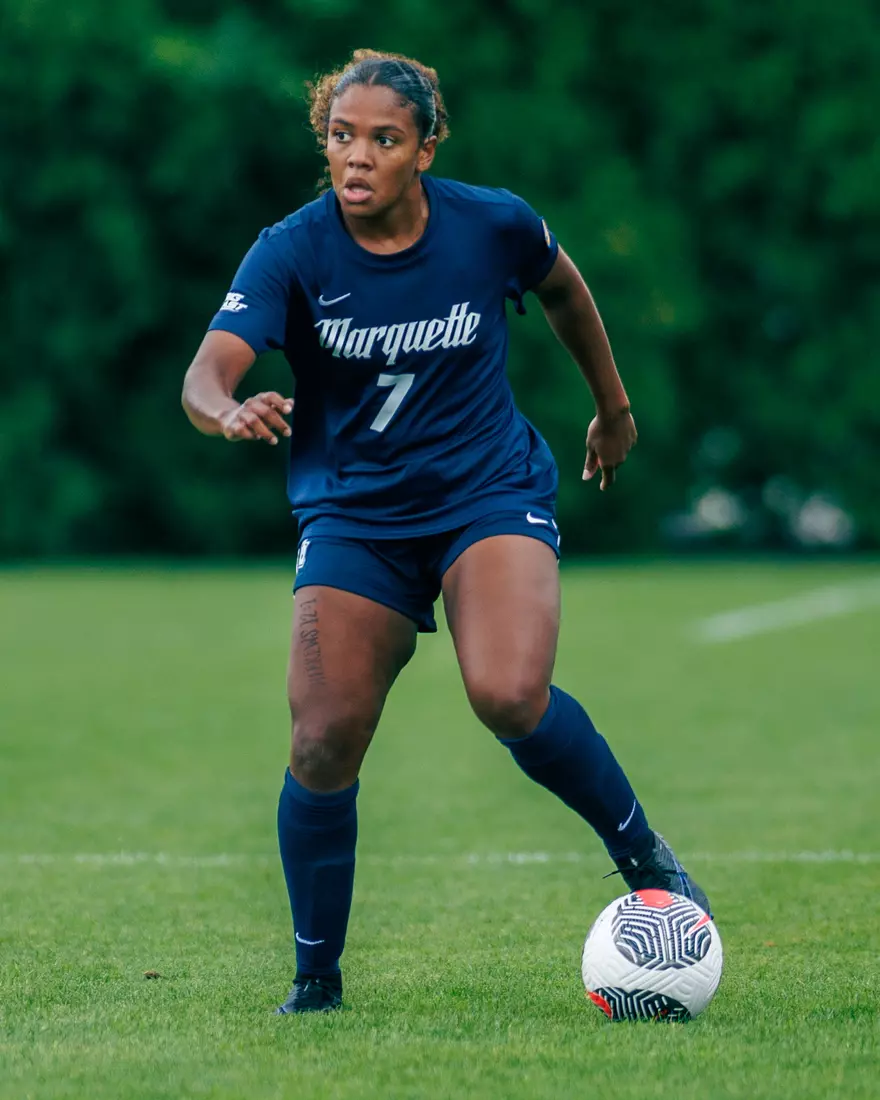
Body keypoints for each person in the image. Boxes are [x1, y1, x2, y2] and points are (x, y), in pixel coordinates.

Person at [181, 49, 710, 1016]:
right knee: (323, 737)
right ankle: (316, 983)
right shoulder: (292, 249)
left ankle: (646, 858)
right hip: (354, 513)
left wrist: (613, 405)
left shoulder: (491, 224)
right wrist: (224, 410)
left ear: (426, 148)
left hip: (485, 492)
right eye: (342, 136)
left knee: (509, 693)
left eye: (384, 139)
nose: (358, 157)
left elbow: (563, 288)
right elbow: (205, 372)